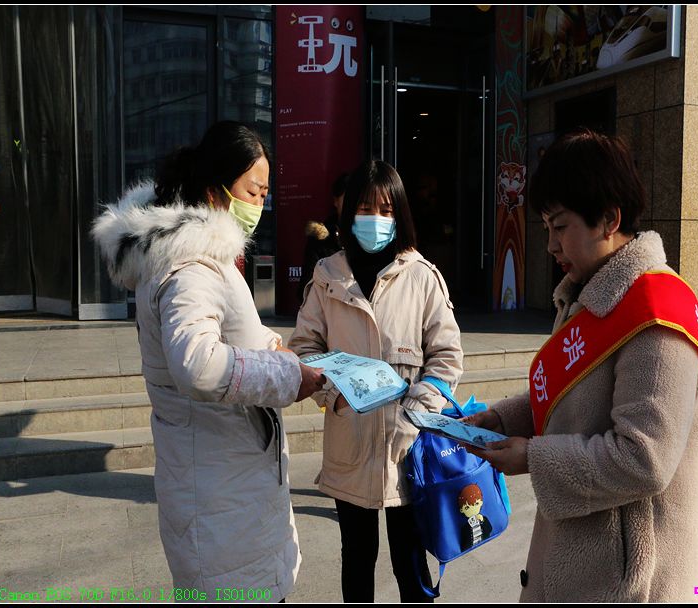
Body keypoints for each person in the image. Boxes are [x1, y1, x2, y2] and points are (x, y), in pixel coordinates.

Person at [466, 128, 698, 602]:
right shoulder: (588, 294)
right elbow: (569, 397)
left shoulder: (657, 312)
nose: (551, 246)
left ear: (609, 219)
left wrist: (531, 458)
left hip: (632, 580)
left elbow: (644, 459)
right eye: (546, 228)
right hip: (580, 560)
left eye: (560, 227)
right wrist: (501, 420)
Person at [91, 121, 325, 602]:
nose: (259, 205)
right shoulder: (191, 265)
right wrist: (286, 375)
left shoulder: (204, 257)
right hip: (221, 501)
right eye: (252, 191)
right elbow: (197, 363)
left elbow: (231, 333)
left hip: (233, 489)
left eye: (264, 194)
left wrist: (272, 348)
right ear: (216, 191)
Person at [288, 159, 464, 603]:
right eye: (365, 209)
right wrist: (334, 393)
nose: (376, 219)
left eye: (386, 210)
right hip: (349, 443)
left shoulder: (422, 276)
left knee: (411, 561)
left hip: (408, 449)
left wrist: (418, 411)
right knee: (356, 557)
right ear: (348, 213)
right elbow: (304, 347)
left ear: (399, 214)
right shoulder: (328, 276)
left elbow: (446, 356)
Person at [297, 172, 348, 303]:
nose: (352, 205)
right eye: (347, 198)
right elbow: (306, 289)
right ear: (336, 201)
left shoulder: (370, 238)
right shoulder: (320, 239)